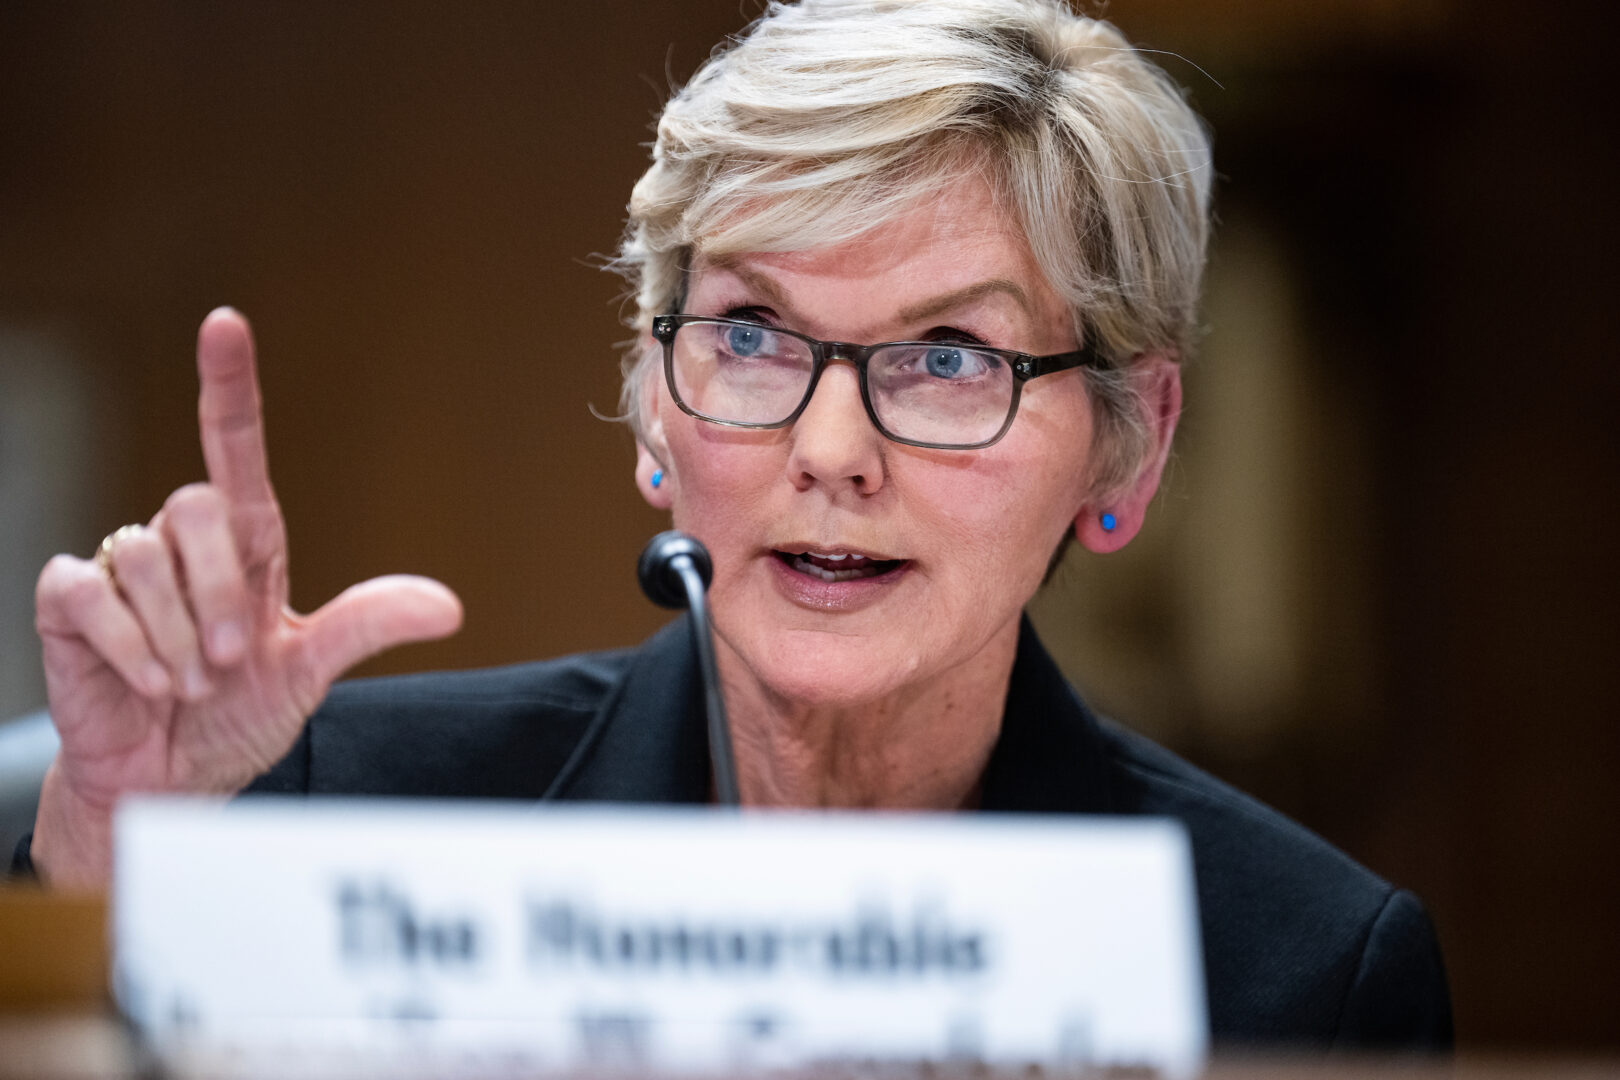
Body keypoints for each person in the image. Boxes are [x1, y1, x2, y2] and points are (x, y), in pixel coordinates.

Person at [17, 0, 1450, 1052]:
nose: (830, 452)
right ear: (652, 404)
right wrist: (115, 856)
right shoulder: (340, 815)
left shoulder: (1300, 971)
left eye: (950, 356)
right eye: (755, 336)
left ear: (1126, 444)